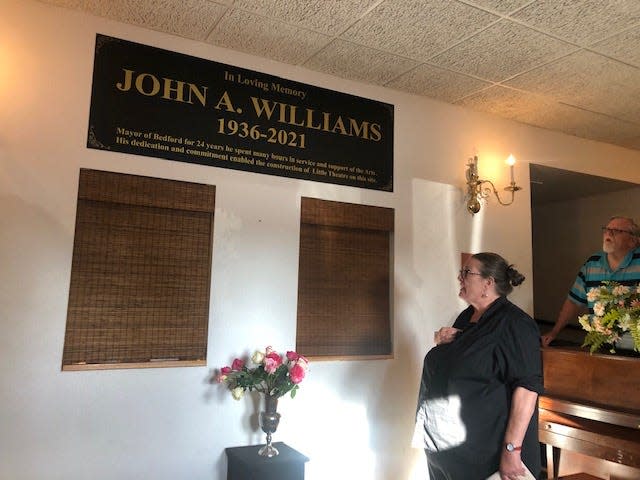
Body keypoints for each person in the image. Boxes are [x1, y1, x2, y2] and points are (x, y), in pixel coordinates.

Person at [414, 252, 543, 480]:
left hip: (484, 457)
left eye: (466, 273)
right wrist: (448, 342)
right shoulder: (466, 318)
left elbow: (527, 390)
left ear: (488, 283)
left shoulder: (515, 324)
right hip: (445, 449)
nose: (460, 278)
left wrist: (512, 450)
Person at [541, 215, 640, 347]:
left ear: (633, 241)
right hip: (598, 340)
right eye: (606, 229)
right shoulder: (592, 263)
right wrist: (555, 331)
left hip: (634, 341)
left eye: (617, 231)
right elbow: (573, 301)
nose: (608, 233)